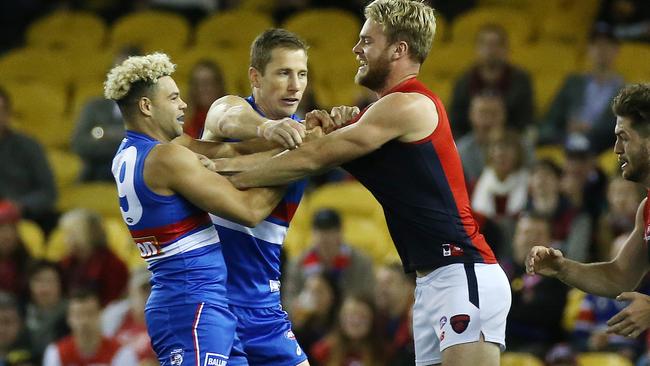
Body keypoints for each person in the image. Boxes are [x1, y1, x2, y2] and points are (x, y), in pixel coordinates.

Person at [224, 1, 511, 365]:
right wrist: (330, 125)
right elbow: (316, 146)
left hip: (462, 271)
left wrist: (218, 175)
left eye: (366, 41)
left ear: (399, 50)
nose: (356, 49)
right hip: (432, 282)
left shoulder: (409, 104)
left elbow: (311, 158)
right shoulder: (382, 113)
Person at [103, 52, 288, 365]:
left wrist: (283, 132)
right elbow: (250, 212)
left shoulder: (131, 153)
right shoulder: (164, 159)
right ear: (147, 107)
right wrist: (297, 166)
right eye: (174, 97)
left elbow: (229, 149)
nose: (183, 105)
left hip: (196, 303)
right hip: (192, 305)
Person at [200, 28, 316, 366]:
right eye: (283, 73)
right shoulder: (229, 109)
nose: (295, 85)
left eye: (302, 74)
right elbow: (226, 115)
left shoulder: (304, 141)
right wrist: (266, 128)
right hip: (214, 304)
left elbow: (254, 209)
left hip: (263, 308)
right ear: (255, 76)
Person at [526, 83, 650, 340]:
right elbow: (619, 276)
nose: (616, 149)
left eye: (624, 137)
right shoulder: (646, 209)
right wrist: (563, 268)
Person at [537, 23, 624, 154]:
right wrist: (566, 128)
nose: (601, 50)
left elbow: (622, 126)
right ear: (589, 49)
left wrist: (591, 129)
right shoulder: (573, 83)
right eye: (596, 45)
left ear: (616, 50)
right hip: (566, 140)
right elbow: (551, 117)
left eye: (607, 45)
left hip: (602, 146)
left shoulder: (624, 90)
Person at [448, 23, 534, 139]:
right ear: (477, 49)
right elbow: (455, 122)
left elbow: (526, 121)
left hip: (511, 142)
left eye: (496, 45)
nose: (491, 50)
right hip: (471, 143)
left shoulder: (521, 80)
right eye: (485, 44)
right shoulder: (464, 81)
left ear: (506, 49)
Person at [284, 208, 375, 310]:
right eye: (320, 232)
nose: (325, 237)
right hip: (312, 319)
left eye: (331, 231)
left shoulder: (361, 262)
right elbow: (289, 301)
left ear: (341, 233)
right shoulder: (298, 264)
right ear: (312, 235)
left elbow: (369, 299)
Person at [0, 86, 57, 233]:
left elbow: (48, 192)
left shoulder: (28, 145)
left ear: (8, 114)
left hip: (27, 218)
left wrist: (21, 206)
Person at [42, 289, 137, 365]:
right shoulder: (56, 353)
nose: (84, 321)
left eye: (90, 314)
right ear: (69, 319)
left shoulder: (121, 352)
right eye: (78, 315)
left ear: (100, 316)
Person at [58, 209, 129, 306]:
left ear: (87, 235)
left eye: (70, 234)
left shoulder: (113, 265)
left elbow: (112, 301)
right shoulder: (66, 263)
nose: (65, 240)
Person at [183, 60, 226, 138]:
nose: (203, 89)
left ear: (219, 86)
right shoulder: (184, 124)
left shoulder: (230, 120)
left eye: (208, 83)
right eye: (197, 84)